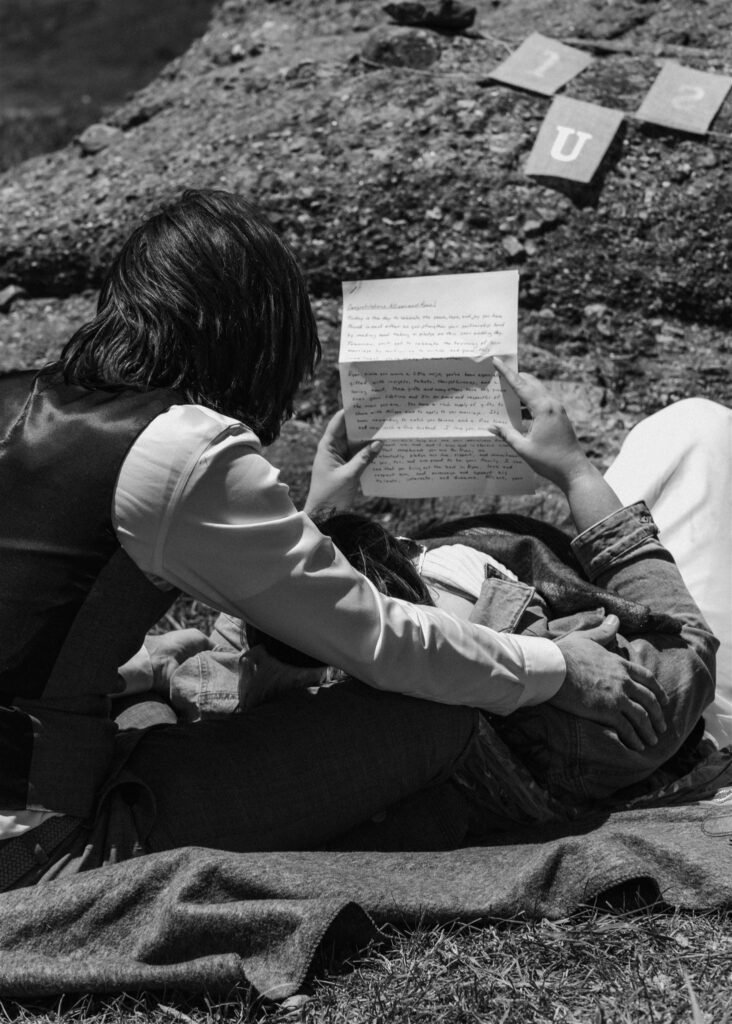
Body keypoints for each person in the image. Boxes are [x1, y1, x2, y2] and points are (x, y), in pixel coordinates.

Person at [0, 189, 683, 887]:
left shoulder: (25, 403)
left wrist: (308, 515)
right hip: (44, 842)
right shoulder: (181, 448)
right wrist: (558, 667)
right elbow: (378, 639)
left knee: (174, 709)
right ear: (250, 330)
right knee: (428, 720)